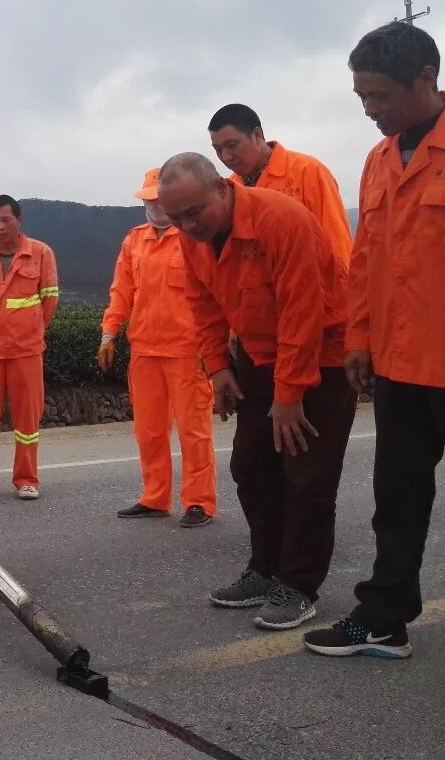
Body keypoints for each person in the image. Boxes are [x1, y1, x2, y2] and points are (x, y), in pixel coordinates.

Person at [303, 22, 445, 695]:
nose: (369, 109)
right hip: (398, 366)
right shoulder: (379, 160)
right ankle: (385, 618)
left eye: (378, 95)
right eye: (361, 97)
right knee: (397, 497)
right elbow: (367, 259)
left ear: (425, 78)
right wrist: (359, 339)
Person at [157, 153, 356, 631]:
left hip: (322, 356)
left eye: (194, 212)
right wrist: (218, 367)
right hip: (258, 355)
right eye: (176, 218)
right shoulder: (192, 237)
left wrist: (289, 396)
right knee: (250, 466)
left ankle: (299, 585)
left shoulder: (281, 220)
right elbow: (203, 303)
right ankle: (265, 569)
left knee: (306, 476)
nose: (187, 226)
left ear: (221, 189)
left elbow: (303, 311)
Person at [99, 168, 216, 528]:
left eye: (158, 200)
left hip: (187, 351)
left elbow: (215, 292)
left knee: (194, 432)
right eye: (148, 200)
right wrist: (108, 334)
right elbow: (121, 291)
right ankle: (155, 496)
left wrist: (214, 343)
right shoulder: (135, 241)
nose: (153, 206)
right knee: (149, 431)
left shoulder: (195, 238)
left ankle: (199, 501)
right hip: (145, 350)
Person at [0, 196, 59, 500]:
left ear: (19, 220)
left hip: (26, 351)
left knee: (27, 419)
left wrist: (31, 330)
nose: (1, 226)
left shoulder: (41, 253)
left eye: (6, 220)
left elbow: (50, 299)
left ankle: (27, 479)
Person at [208, 103, 352, 271]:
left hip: (308, 281)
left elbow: (337, 242)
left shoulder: (308, 171)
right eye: (218, 150)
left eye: (232, 146)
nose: (226, 157)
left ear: (257, 135)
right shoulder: (229, 190)